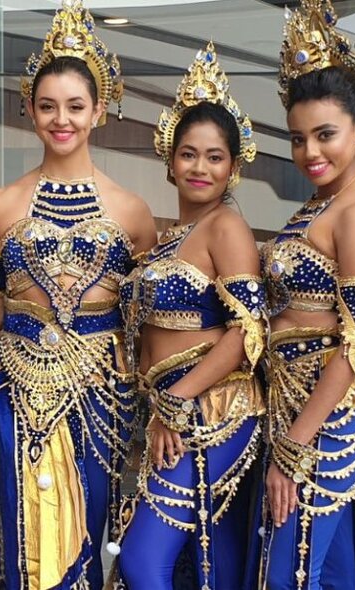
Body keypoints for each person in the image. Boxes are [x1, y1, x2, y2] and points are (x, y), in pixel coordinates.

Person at [0, 1, 157, 587]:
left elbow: (147, 322)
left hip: (103, 393)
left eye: (75, 106)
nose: (62, 119)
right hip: (16, 384)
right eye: (48, 106)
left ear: (98, 110)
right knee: (20, 523)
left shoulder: (132, 211)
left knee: (87, 523)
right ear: (29, 111)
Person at [257, 1, 355, 588]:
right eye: (298, 139)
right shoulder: (316, 206)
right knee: (328, 568)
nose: (310, 153)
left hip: (330, 413)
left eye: (325, 135)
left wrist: (295, 446)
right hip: (296, 402)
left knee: (290, 570)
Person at [110, 42, 266, 590]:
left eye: (215, 156)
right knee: (204, 558)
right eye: (189, 154)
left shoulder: (226, 228)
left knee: (142, 559)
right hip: (170, 410)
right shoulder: (166, 239)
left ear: (233, 167)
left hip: (210, 407)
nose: (200, 167)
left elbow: (249, 332)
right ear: (170, 159)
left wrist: (178, 399)